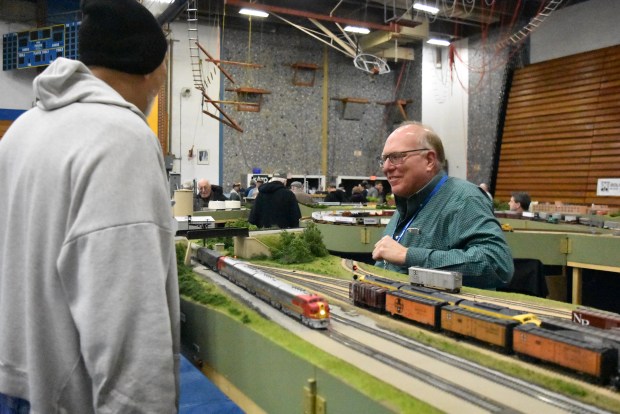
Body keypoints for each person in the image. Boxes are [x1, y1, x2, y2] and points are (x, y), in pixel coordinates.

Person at [0, 1, 180, 412]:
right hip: (66, 396)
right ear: (153, 67)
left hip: (15, 376)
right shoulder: (120, 138)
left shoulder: (21, 130)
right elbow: (126, 311)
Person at [371, 122, 514, 289]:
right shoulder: (405, 205)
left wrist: (407, 256)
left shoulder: (464, 199)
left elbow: (497, 264)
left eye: (396, 157)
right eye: (384, 159)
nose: (387, 167)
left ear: (429, 160)